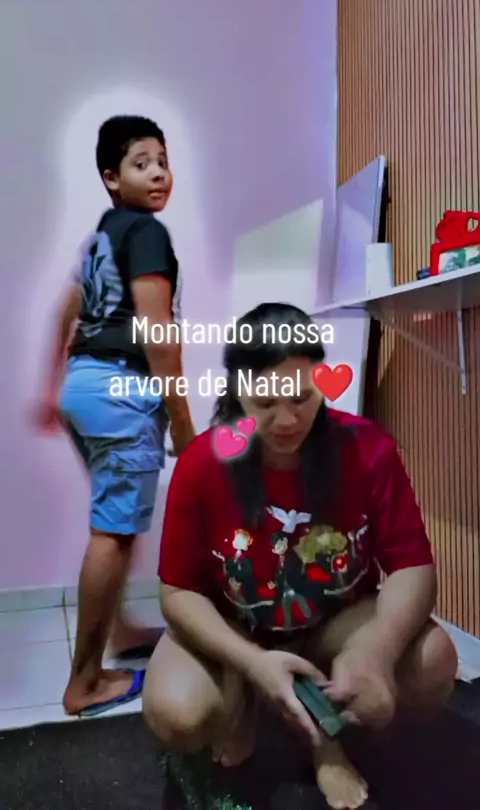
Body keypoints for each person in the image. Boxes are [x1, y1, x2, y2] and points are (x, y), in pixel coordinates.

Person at [142, 302, 457, 810]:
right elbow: (177, 593)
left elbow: (412, 566)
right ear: (237, 389)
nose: (288, 419)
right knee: (177, 710)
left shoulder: (367, 448)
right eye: (266, 401)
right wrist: (253, 662)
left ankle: (322, 734)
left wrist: (376, 650)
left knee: (432, 660)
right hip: (239, 625)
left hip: (331, 623)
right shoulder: (203, 462)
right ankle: (251, 694)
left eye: (302, 397)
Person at [34, 115, 195, 717]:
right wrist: (184, 425)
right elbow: (158, 333)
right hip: (122, 392)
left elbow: (65, 311)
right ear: (111, 176)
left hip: (85, 387)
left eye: (163, 162)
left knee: (117, 520)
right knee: (115, 532)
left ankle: (121, 632)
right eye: (140, 163)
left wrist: (53, 389)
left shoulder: (105, 235)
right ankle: (85, 681)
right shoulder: (147, 232)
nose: (158, 174)